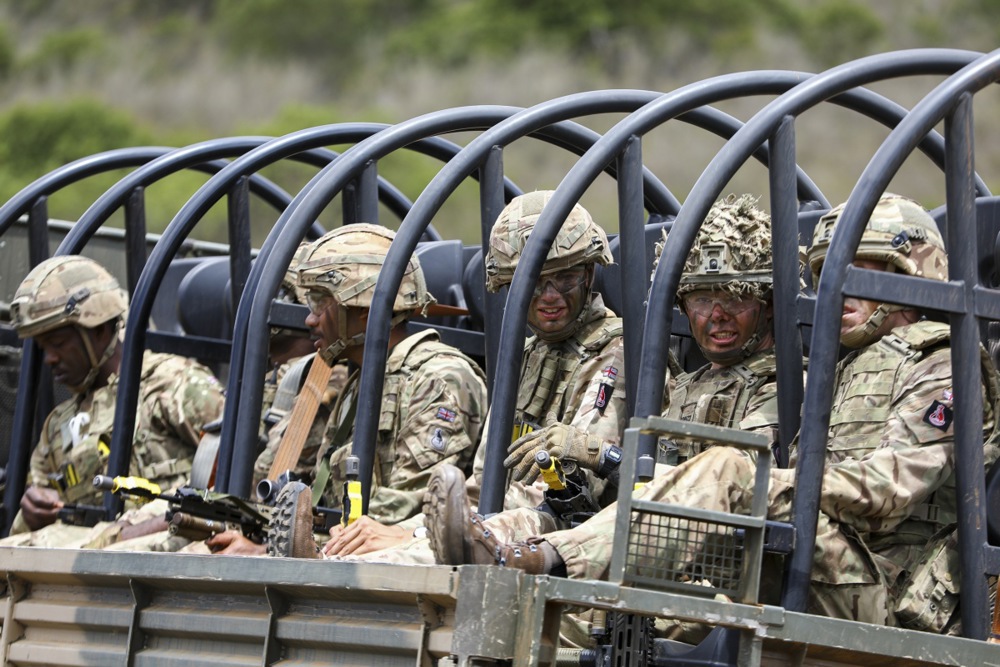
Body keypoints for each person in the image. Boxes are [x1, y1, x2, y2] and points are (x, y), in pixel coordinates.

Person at [427, 193, 998, 632]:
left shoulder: (942, 363)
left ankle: (539, 562)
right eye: (830, 275)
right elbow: (667, 482)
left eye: (864, 273)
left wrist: (764, 487)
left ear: (909, 277)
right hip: (805, 553)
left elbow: (890, 490)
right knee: (593, 605)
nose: (841, 292)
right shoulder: (843, 365)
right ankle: (499, 561)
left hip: (886, 587)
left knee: (727, 474)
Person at [320, 191, 629, 558]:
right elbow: (481, 486)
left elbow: (570, 493)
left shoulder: (617, 353)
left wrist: (421, 535)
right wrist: (405, 530)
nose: (548, 296)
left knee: (406, 556)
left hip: (571, 539)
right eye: (532, 282)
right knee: (359, 548)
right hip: (503, 526)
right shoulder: (527, 355)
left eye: (564, 278)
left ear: (589, 272)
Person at [207, 223, 488, 557]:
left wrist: (267, 553)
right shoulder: (363, 381)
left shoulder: (438, 377)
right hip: (346, 553)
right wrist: (267, 541)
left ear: (366, 311)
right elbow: (328, 501)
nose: (309, 320)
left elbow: (402, 512)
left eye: (322, 303)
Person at [2, 255, 225, 547]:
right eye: (43, 348)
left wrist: (137, 530)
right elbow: (25, 538)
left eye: (57, 344)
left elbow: (237, 485)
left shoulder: (175, 384)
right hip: (84, 569)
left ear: (99, 329)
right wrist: (31, 515)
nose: (50, 359)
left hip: (168, 558)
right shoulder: (58, 425)